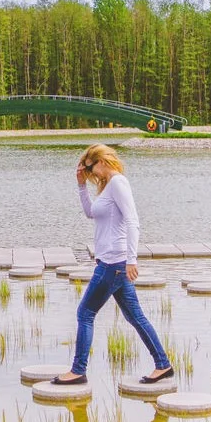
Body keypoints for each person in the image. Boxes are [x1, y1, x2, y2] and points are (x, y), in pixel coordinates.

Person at [54, 144, 171, 385]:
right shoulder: (108, 186)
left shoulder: (118, 182)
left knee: (85, 313)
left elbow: (133, 221)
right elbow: (90, 213)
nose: (92, 173)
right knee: (136, 317)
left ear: (103, 160)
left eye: (92, 166)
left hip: (113, 263)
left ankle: (78, 370)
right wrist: (80, 185)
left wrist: (132, 260)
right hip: (111, 261)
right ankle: (163, 364)